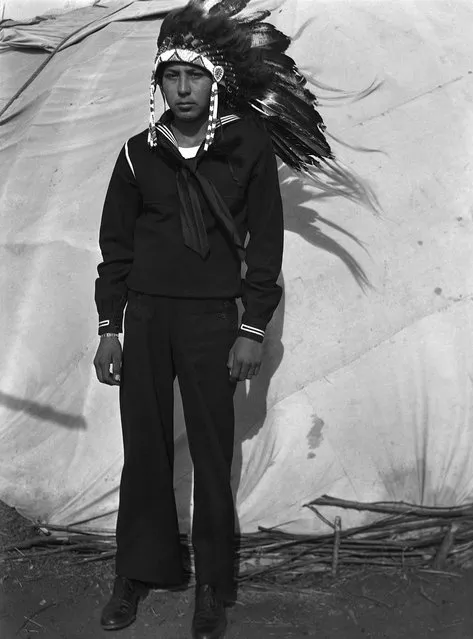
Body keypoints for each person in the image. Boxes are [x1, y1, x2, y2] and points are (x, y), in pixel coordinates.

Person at [93, 1, 376, 637]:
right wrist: (109, 328)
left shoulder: (245, 144)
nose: (184, 88)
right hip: (145, 320)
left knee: (214, 452)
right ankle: (138, 572)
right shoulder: (139, 154)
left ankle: (213, 587)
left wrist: (251, 328)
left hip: (213, 322)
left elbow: (267, 244)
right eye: (173, 77)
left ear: (214, 80)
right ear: (159, 84)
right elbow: (116, 245)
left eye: (195, 75)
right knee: (143, 449)